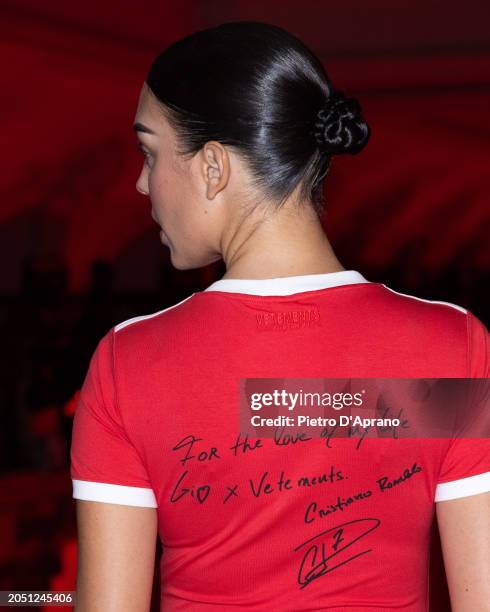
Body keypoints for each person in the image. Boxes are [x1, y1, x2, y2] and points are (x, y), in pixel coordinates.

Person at [70, 21, 489, 612]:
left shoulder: (126, 364)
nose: (141, 184)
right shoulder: (453, 348)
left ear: (214, 167)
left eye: (150, 152)